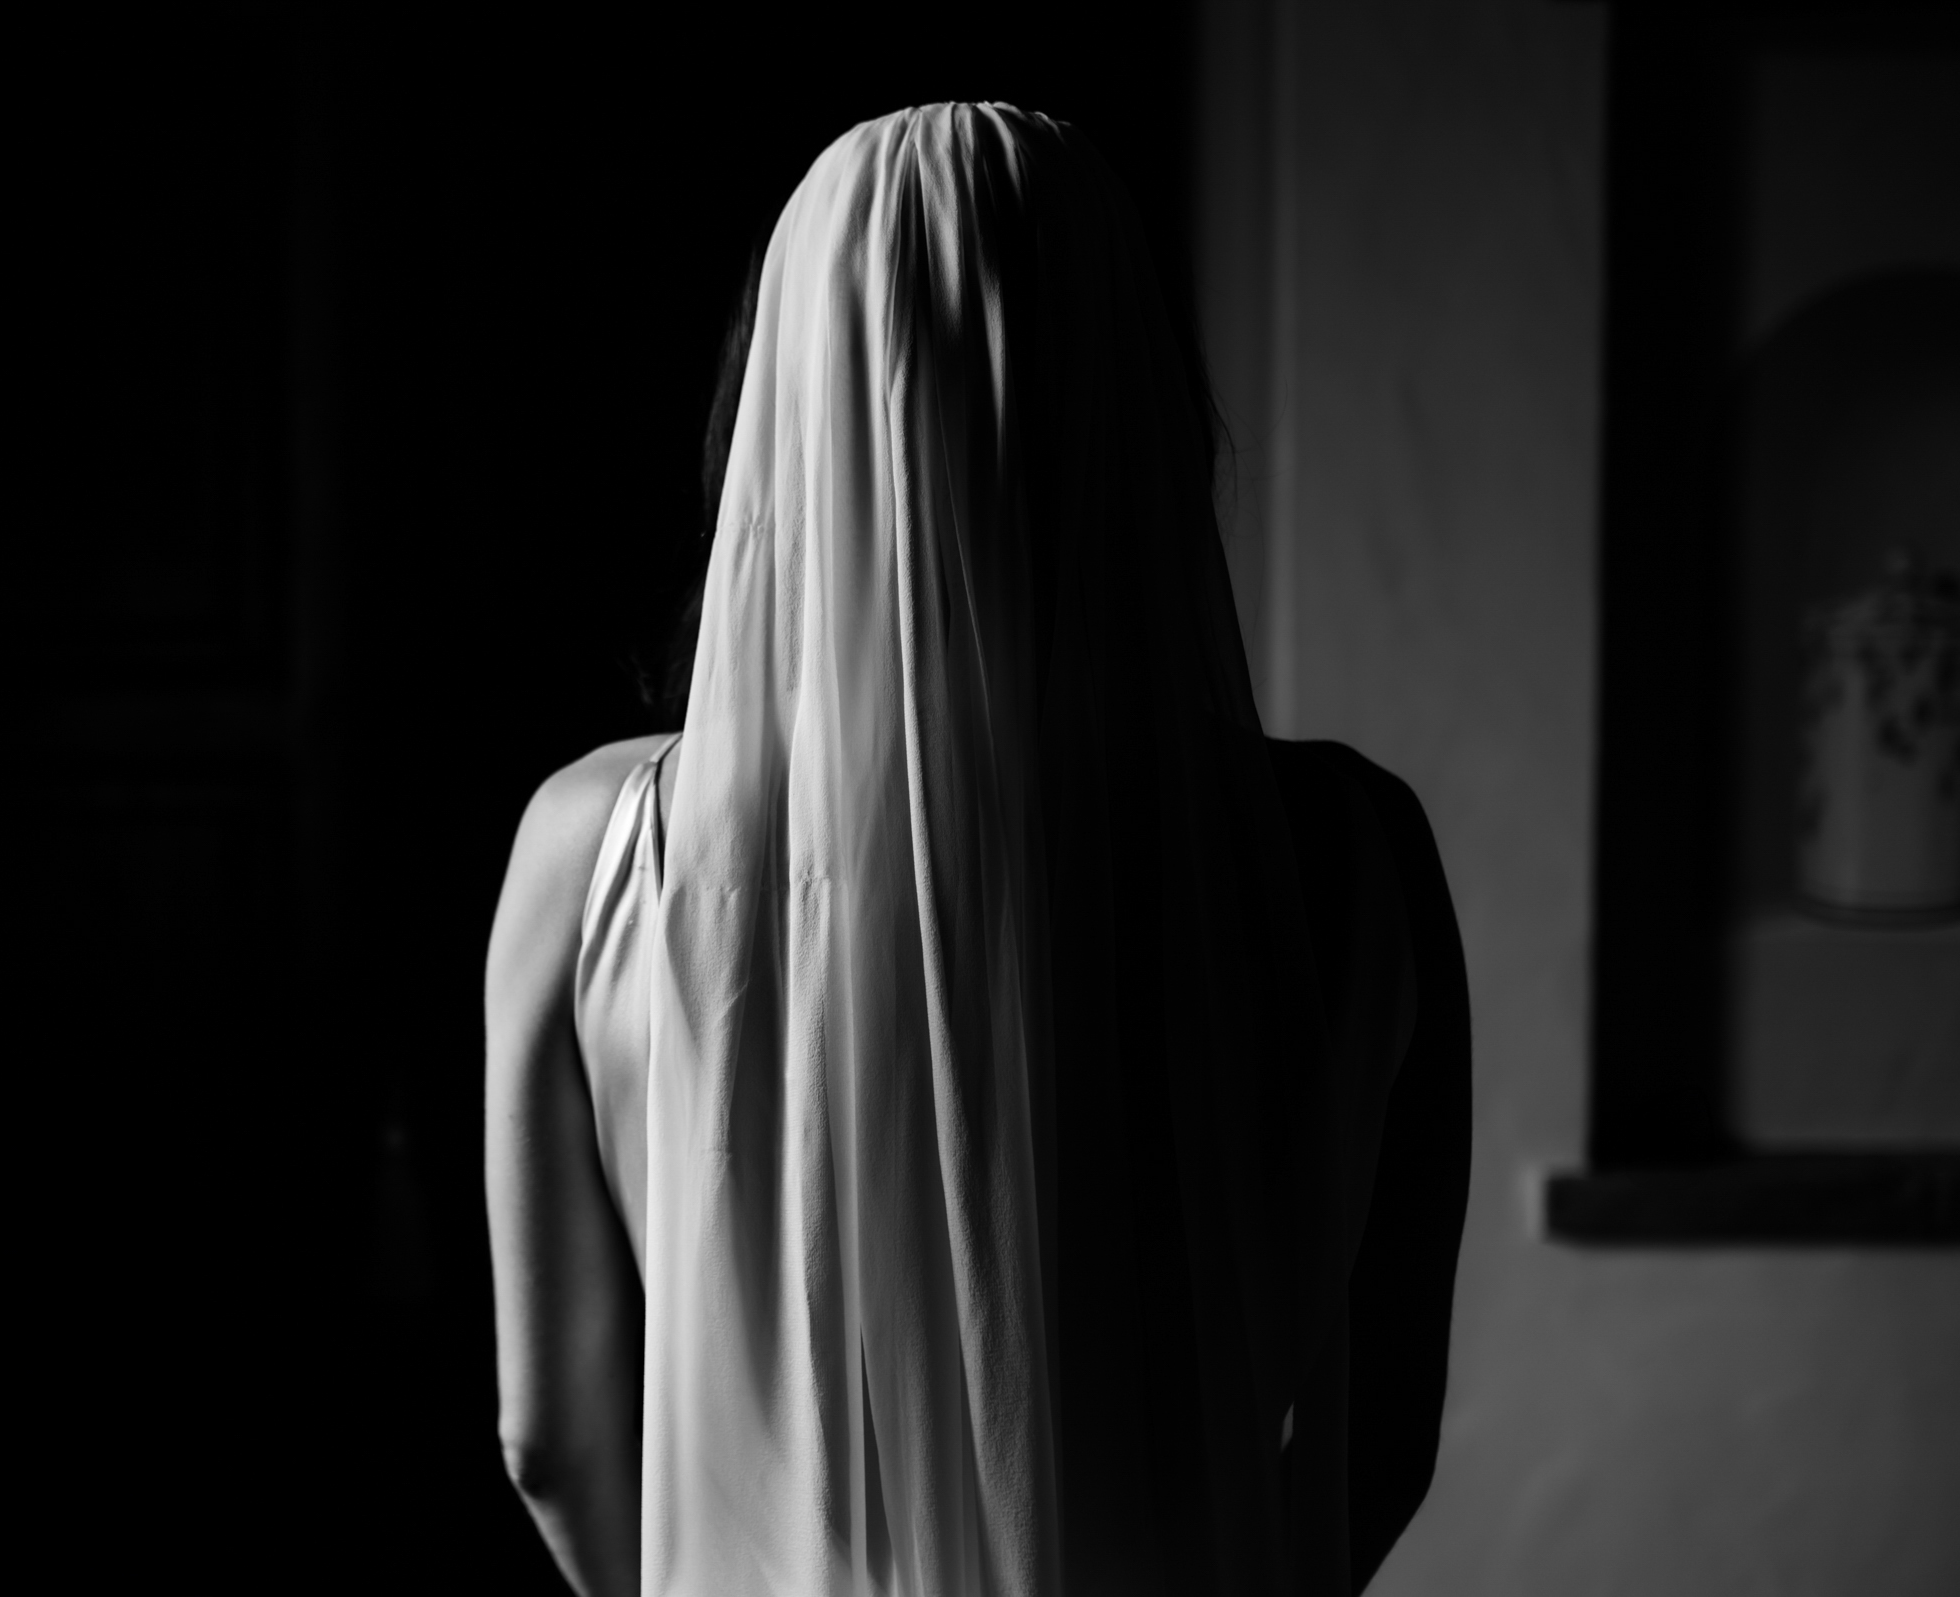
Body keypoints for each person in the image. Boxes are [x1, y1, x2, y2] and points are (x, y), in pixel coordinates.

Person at [485, 104, 1468, 1597]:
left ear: (789, 404)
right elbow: (1383, 1432)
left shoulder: (592, 846)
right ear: (1138, 396)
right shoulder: (1354, 846)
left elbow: (551, 1440)